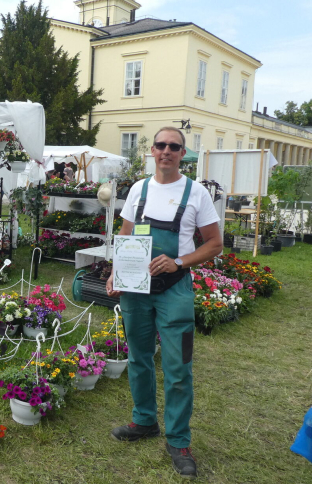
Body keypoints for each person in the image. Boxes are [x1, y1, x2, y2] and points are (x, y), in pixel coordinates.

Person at [106, 127, 222, 479]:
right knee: (138, 358)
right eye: (161, 145)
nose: (166, 151)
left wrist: (179, 262)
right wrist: (115, 273)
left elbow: (215, 244)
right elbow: (126, 236)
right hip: (136, 290)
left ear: (183, 153)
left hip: (175, 289)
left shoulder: (196, 192)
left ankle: (179, 440)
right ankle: (144, 421)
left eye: (174, 146)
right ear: (152, 151)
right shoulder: (138, 189)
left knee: (177, 368)